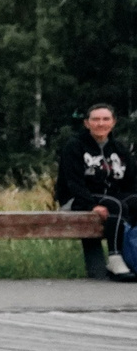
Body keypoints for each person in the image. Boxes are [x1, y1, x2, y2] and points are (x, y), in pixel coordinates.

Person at [55, 101, 132, 281]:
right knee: (116, 205)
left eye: (105, 119)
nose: (100, 123)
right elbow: (73, 182)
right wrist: (91, 205)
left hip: (112, 199)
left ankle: (131, 256)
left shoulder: (120, 149)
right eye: (95, 119)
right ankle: (114, 257)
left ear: (113, 122)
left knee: (127, 203)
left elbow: (131, 182)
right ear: (86, 123)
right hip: (77, 199)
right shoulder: (74, 146)